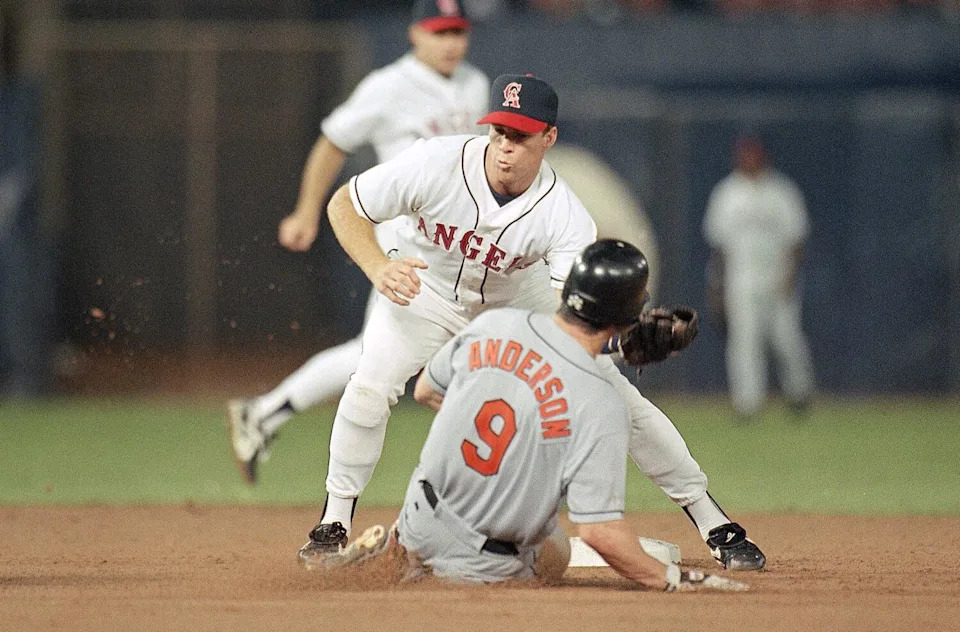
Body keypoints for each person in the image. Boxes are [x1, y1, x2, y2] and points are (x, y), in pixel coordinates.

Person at [295, 72, 766, 572]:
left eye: (520, 136)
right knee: (369, 387)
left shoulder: (562, 214)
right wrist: (376, 265)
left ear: (549, 138)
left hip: (517, 306)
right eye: (498, 132)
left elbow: (579, 322)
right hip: (422, 292)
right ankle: (334, 523)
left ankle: (711, 518)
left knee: (617, 396)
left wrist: (624, 345)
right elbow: (345, 203)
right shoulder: (436, 162)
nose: (504, 147)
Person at [312, 240, 747, 592]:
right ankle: (443, 573)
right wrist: (673, 578)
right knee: (555, 545)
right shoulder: (601, 401)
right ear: (628, 319)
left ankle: (399, 553)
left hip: (418, 515)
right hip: (487, 564)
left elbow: (425, 388)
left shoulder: (494, 325)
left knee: (448, 513)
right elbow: (599, 533)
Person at [227, 0, 489, 482]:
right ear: (415, 33)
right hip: (400, 234)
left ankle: (264, 413)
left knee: (379, 349)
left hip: (453, 238)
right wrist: (307, 211)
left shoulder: (475, 83)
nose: (451, 42)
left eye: (458, 31)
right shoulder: (388, 86)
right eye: (439, 31)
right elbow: (333, 141)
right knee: (404, 349)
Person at [703, 134, 815, 420]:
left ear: (763, 157)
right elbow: (719, 246)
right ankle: (748, 403)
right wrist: (717, 285)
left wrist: (790, 276)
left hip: (777, 279)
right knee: (744, 342)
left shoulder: (781, 192)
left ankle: (799, 394)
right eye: (745, 155)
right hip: (741, 280)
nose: (749, 160)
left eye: (754, 155)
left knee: (787, 339)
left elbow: (796, 240)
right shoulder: (727, 193)